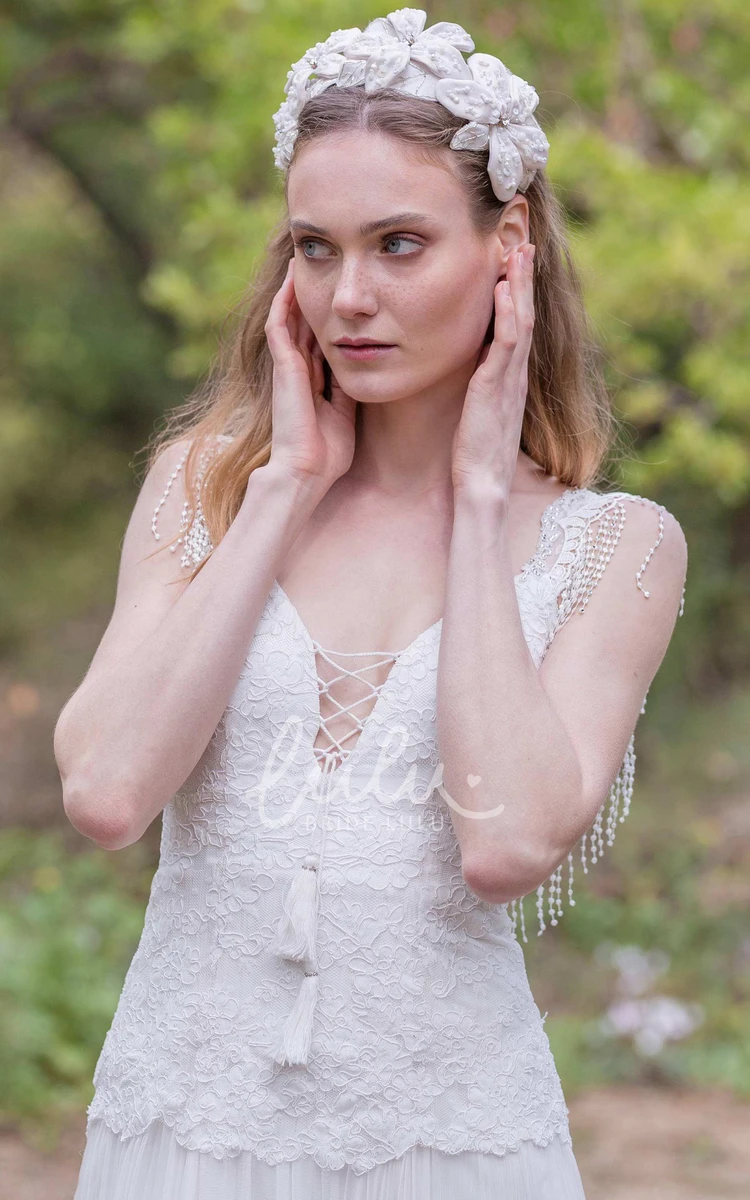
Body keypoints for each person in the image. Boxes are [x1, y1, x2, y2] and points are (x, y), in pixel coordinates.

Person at [56, 9, 688, 1198]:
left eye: (399, 244)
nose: (348, 294)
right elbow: (106, 792)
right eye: (315, 247)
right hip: (185, 1136)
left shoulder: (617, 550)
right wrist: (287, 486)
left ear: (510, 252)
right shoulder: (208, 488)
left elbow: (504, 843)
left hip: (449, 1149)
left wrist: (483, 490)